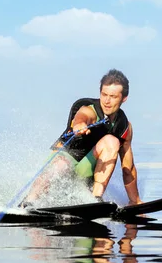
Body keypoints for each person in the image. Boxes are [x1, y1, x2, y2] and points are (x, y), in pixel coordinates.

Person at [20, 69, 143, 207]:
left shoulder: (124, 127)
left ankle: (94, 201)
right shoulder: (89, 109)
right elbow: (82, 116)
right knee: (62, 164)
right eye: (104, 95)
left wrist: (135, 201)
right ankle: (28, 202)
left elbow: (128, 169)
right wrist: (80, 125)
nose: (107, 101)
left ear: (124, 98)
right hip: (61, 166)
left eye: (113, 97)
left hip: (85, 172)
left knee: (112, 141)